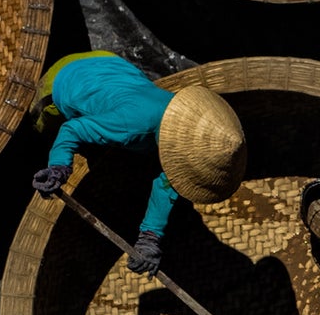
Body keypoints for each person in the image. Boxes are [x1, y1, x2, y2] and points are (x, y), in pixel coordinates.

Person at [31, 52, 247, 274]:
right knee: (40, 126)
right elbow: (72, 130)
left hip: (111, 61)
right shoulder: (132, 126)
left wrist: (150, 238)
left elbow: (168, 183)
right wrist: (59, 168)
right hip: (65, 75)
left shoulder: (179, 112)